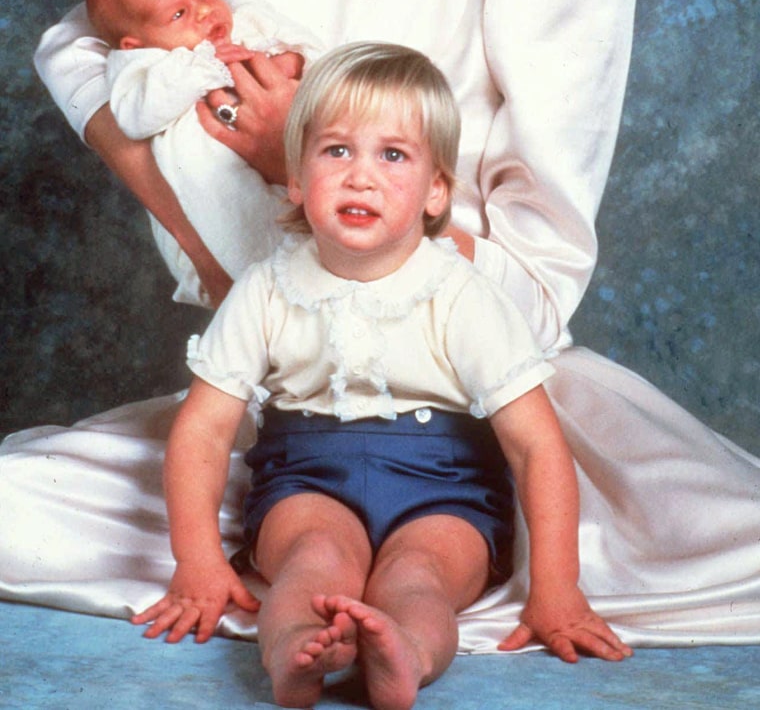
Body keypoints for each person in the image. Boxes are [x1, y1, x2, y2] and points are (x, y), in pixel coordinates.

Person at [4, 0, 760, 650]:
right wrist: (220, 254)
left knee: (726, 547)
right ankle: (300, 579)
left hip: (477, 404)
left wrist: (287, 163)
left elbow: (536, 288)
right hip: (274, 385)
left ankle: (427, 581)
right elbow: (84, 47)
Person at [132, 43, 631, 708]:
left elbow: (536, 446)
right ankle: (294, 655)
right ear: (297, 180)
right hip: (307, 479)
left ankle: (405, 654)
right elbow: (202, 431)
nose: (360, 177)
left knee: (419, 578)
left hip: (445, 491)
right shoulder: (267, 289)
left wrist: (556, 589)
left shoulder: (462, 294)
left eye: (392, 155)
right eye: (337, 151)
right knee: (312, 562)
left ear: (435, 192)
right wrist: (197, 561)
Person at [85, 0, 323, 306]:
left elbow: (314, 48)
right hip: (210, 190)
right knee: (253, 251)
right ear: (134, 44)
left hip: (289, 160)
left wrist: (289, 62)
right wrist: (205, 67)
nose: (204, 12)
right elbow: (135, 117)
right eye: (179, 15)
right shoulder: (141, 65)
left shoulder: (245, 14)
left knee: (312, 238)